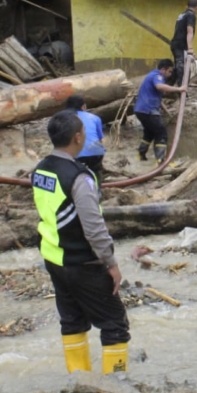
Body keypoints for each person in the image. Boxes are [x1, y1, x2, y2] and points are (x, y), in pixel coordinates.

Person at [31, 111, 130, 374]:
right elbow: (94, 227)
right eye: (83, 133)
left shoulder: (41, 169)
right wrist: (111, 263)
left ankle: (79, 378)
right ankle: (116, 383)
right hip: (82, 263)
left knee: (72, 321)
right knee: (114, 323)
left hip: (54, 258)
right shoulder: (79, 177)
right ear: (77, 137)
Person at [133, 59, 185, 164]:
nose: (170, 75)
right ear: (163, 70)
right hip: (148, 110)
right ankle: (161, 161)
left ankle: (140, 155)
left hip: (140, 110)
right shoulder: (157, 76)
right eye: (169, 71)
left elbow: (156, 96)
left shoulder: (151, 75)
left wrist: (165, 109)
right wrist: (179, 89)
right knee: (161, 133)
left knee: (149, 133)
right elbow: (160, 87)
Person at [65, 95, 105, 183]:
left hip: (77, 155)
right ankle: (97, 189)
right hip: (96, 153)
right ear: (83, 106)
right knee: (96, 173)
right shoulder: (95, 118)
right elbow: (101, 139)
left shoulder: (66, 119)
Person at [168, 0, 197, 86]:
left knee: (178, 66)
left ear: (187, 6)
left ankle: (168, 86)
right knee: (182, 68)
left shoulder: (182, 15)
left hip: (175, 44)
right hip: (181, 45)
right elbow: (189, 32)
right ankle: (182, 91)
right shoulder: (191, 15)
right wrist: (190, 48)